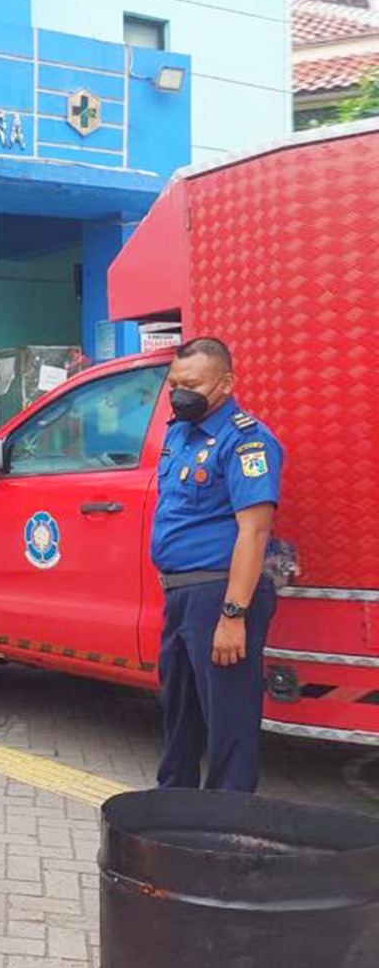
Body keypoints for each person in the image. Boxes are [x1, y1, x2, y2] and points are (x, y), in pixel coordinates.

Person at [151, 337, 283, 792]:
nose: (179, 393)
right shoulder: (179, 432)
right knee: (178, 710)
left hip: (220, 594)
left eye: (192, 384)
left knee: (229, 721)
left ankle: (227, 823)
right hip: (181, 593)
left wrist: (233, 614)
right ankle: (174, 807)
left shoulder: (247, 441)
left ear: (225, 384)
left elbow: (255, 533)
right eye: (174, 383)